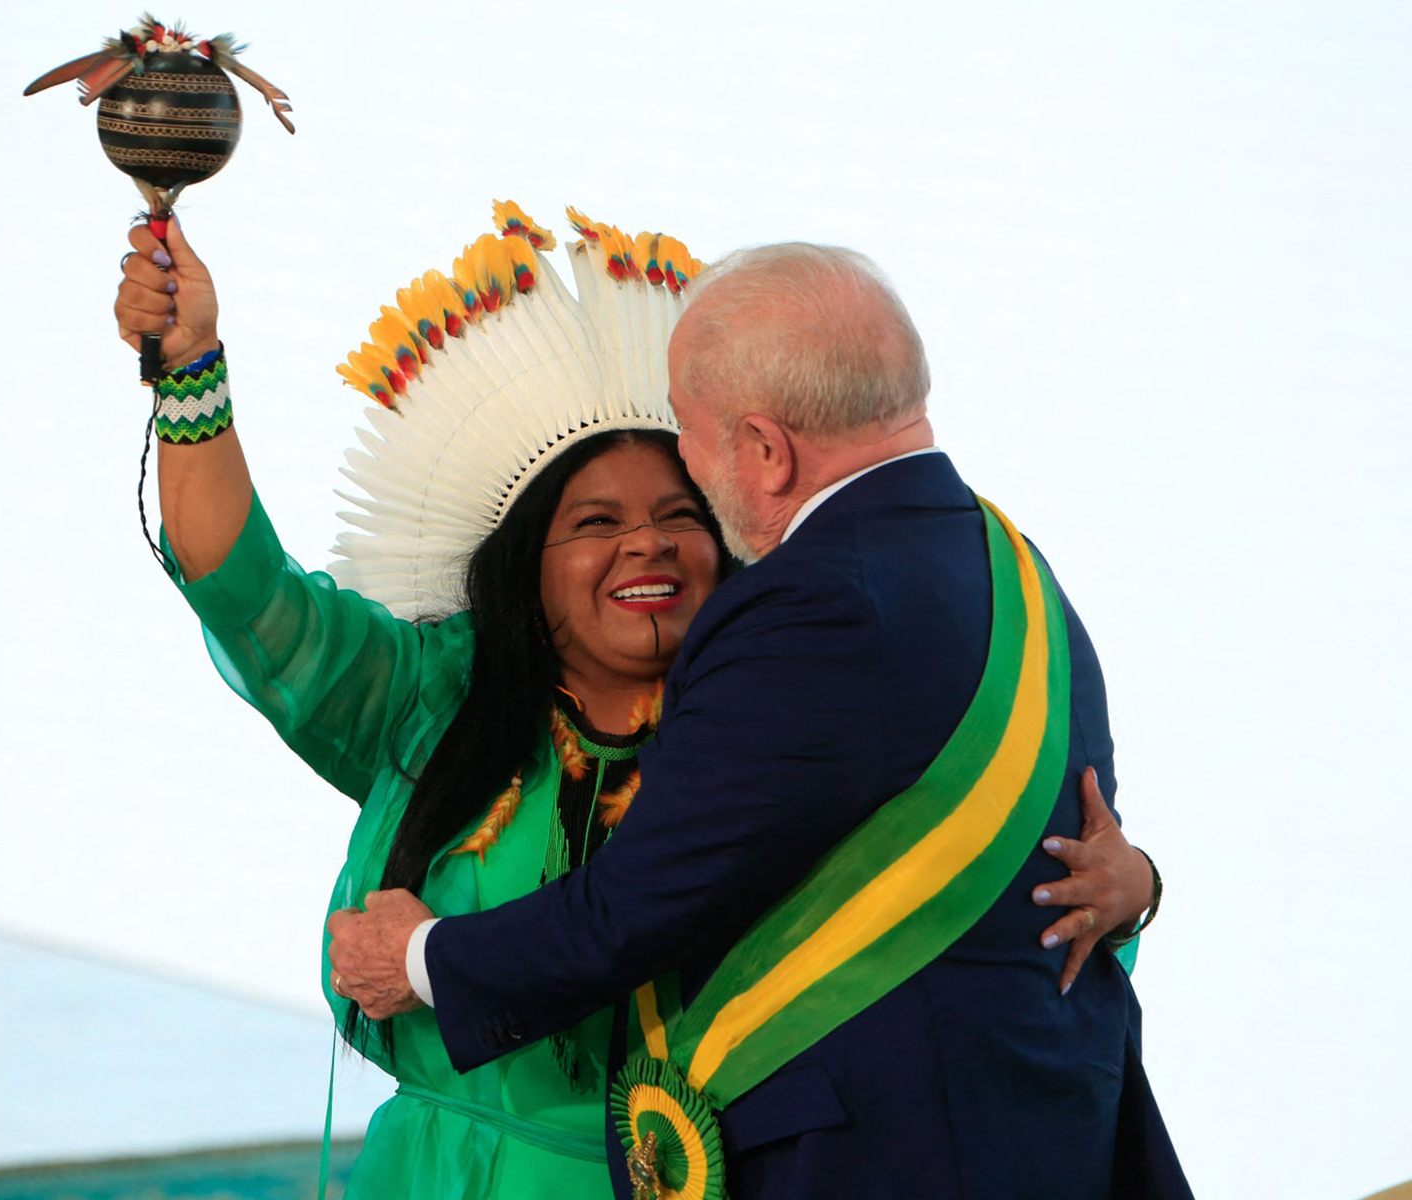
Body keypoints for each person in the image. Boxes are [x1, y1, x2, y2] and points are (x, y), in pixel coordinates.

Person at [115, 206, 1161, 1200]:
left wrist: (1132, 892)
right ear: (526, 564)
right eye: (596, 523)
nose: (647, 543)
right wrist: (190, 372)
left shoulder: (794, 704)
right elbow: (243, 589)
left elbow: (971, 907)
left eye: (679, 511)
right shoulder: (435, 699)